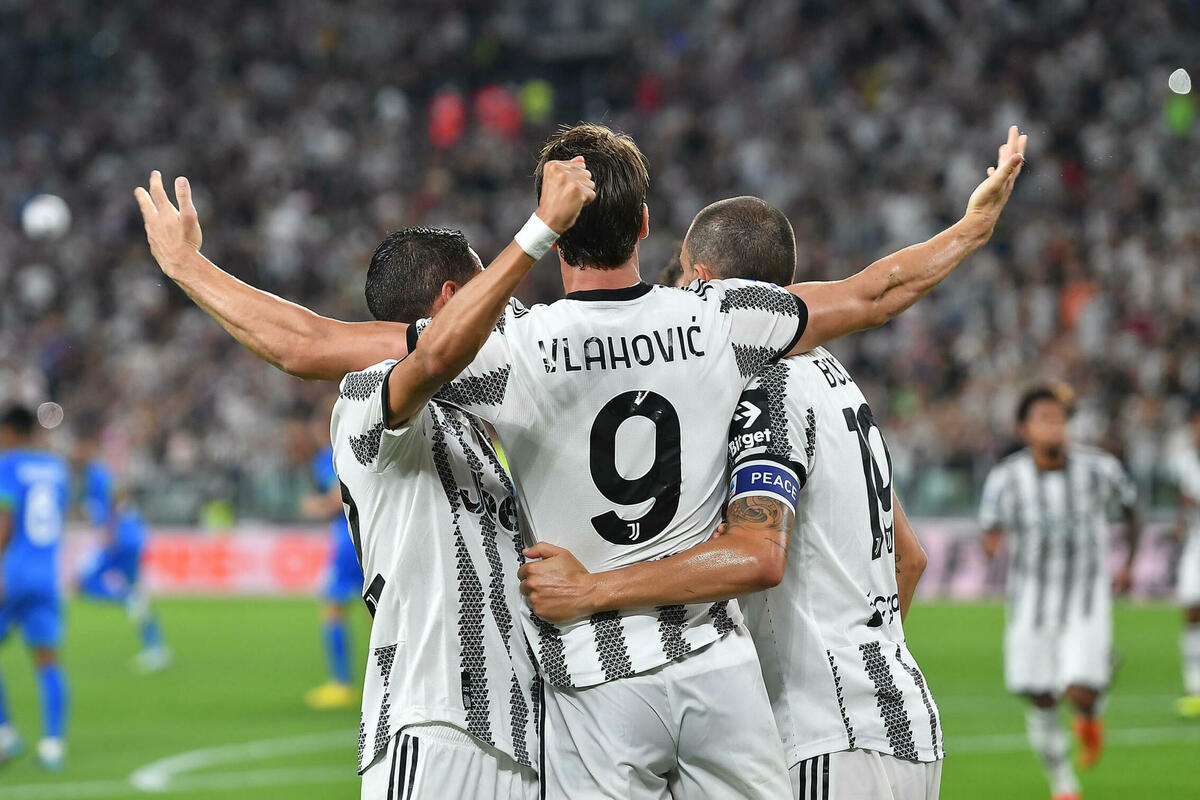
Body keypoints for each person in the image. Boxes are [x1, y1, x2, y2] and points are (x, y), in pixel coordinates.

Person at [137, 121, 1025, 798]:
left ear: (554, 237)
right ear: (646, 223)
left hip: (594, 680)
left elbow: (309, 342)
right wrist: (969, 229)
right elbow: (875, 292)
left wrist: (189, 268)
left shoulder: (511, 348)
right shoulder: (720, 319)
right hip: (716, 667)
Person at [136, 156, 595, 799]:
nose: (508, 306)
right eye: (489, 291)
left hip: (516, 735)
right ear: (450, 302)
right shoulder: (368, 396)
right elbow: (308, 344)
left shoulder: (480, 423)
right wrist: (185, 264)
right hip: (433, 725)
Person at [518, 196, 944, 800]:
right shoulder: (838, 381)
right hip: (902, 717)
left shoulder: (766, 385)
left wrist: (590, 589)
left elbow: (754, 555)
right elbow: (911, 559)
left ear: (706, 283)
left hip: (823, 735)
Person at [978, 384, 1141, 800]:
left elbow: (1131, 509)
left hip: (1086, 599)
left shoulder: (1099, 468)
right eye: (1044, 418)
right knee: (1040, 695)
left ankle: (1091, 706)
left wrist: (1128, 563)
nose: (1054, 425)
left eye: (1060, 418)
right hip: (1030, 600)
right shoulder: (1006, 478)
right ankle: (1063, 784)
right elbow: (990, 526)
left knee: (1079, 690)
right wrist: (992, 544)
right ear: (1024, 428)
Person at [0, 405, 71, 771]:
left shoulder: (8, 464)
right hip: (46, 575)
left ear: (10, 432)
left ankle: (5, 735)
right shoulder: (56, 468)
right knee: (48, 660)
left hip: (12, 574)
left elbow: (5, 520)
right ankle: (53, 745)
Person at [73, 436, 169, 672]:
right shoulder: (91, 475)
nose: (76, 454)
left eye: (80, 448)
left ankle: (127, 599)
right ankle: (155, 647)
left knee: (83, 581)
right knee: (128, 592)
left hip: (122, 539)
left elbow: (117, 494)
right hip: (130, 537)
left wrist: (111, 528)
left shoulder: (96, 472)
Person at [300, 407, 365, 711]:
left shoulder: (330, 455)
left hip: (347, 540)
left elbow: (339, 498)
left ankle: (341, 684)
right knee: (379, 611)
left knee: (333, 608)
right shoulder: (363, 446)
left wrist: (315, 506)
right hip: (373, 537)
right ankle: (397, 683)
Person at [1174, 397, 1200, 718]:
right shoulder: (1186, 460)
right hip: (1196, 546)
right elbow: (1184, 498)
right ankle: (1195, 686)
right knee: (1192, 611)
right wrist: (1181, 521)